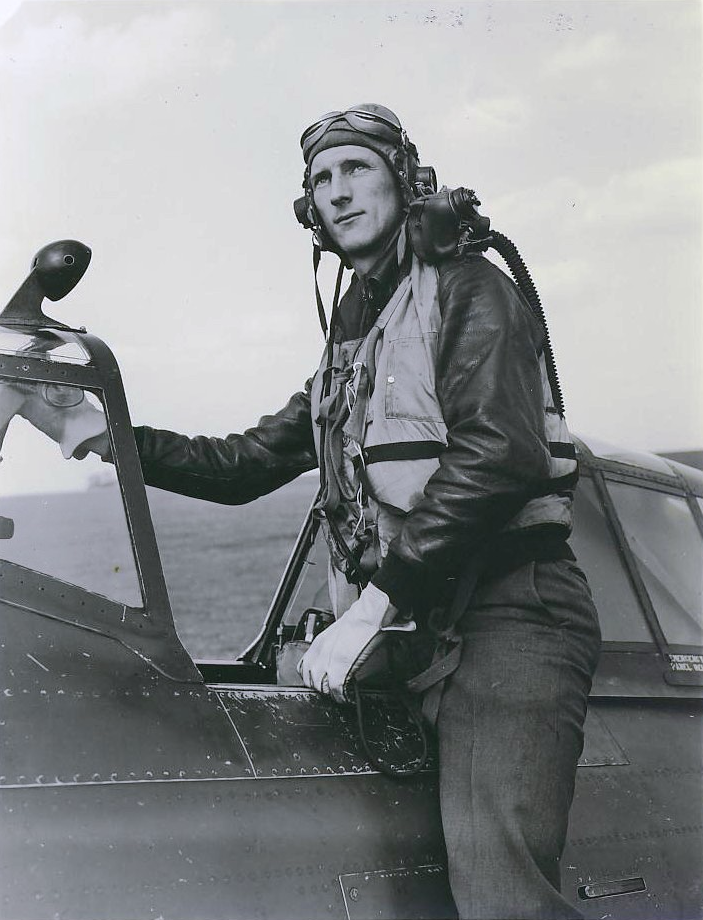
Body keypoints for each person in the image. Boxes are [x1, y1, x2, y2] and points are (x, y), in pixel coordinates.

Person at [133, 104, 601, 920]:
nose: (338, 193)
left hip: (508, 617)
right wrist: (102, 435)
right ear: (306, 210)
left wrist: (373, 604)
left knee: (502, 899)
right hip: (412, 629)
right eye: (320, 180)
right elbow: (246, 462)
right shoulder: (356, 328)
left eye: (356, 170)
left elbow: (500, 453)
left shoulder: (468, 287)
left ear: (402, 180)